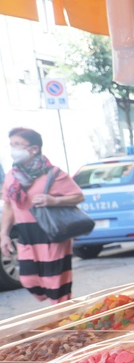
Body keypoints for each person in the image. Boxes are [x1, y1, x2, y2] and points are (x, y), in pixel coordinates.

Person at [0, 127, 84, 304]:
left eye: (17, 144)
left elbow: (78, 196)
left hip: (51, 234)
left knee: (56, 286)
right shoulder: (11, 176)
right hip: (26, 235)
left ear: (34, 148)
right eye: (11, 144)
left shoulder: (53, 174)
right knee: (28, 280)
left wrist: (53, 201)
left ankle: (66, 323)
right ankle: (63, 313)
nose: (12, 149)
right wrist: (4, 234)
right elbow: (9, 206)